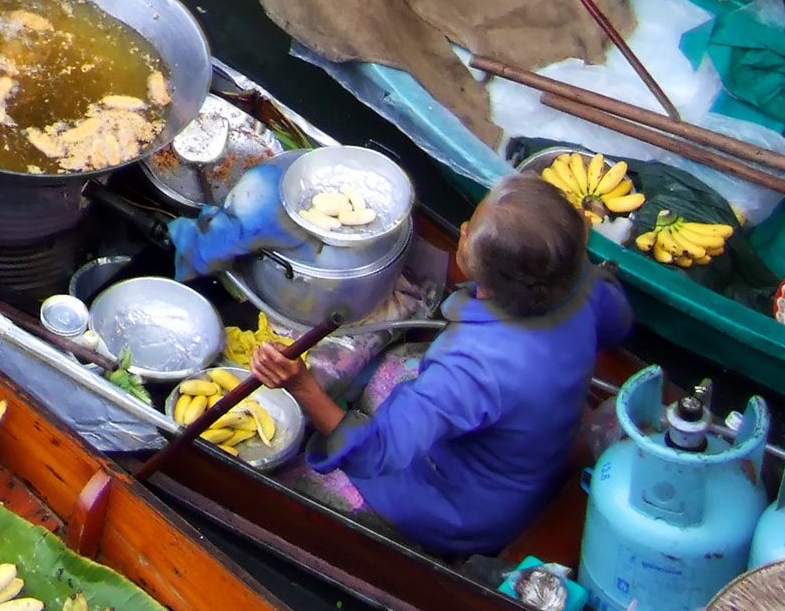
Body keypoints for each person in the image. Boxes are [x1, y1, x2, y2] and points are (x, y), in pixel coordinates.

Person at [250, 173, 632, 557]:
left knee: (287, 485)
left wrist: (302, 386)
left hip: (468, 511)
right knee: (399, 367)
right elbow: (618, 324)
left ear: (490, 277)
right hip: (534, 460)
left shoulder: (471, 365)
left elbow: (372, 452)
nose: (463, 228)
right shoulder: (584, 282)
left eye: (469, 232)